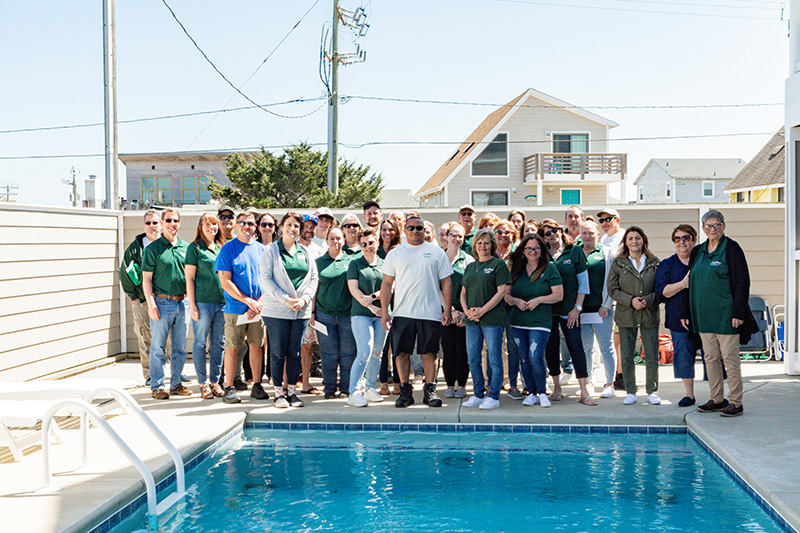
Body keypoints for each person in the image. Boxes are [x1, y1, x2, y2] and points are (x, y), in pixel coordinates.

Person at [683, 210, 756, 418]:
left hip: (726, 315)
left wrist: (738, 312)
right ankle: (716, 399)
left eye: (716, 225)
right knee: (710, 359)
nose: (712, 229)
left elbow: (742, 282)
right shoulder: (697, 251)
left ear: (723, 226)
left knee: (730, 360)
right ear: (703, 229)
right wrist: (687, 312)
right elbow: (690, 283)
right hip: (703, 316)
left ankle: (736, 402)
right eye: (708, 226)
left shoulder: (732, 248)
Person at [381, 215, 453, 408]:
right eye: (411, 228)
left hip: (430, 313)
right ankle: (405, 392)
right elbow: (386, 283)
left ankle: (430, 391)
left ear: (424, 230)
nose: (415, 231)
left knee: (430, 353)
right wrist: (385, 311)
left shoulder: (436, 252)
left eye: (419, 228)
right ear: (404, 231)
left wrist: (447, 308)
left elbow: (446, 282)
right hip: (402, 313)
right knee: (401, 353)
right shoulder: (395, 254)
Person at [260, 212, 319, 408]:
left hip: (300, 312)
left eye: (296, 226)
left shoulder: (306, 252)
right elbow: (266, 279)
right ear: (282, 227)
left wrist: (304, 299)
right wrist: (285, 299)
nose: (292, 229)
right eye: (289, 224)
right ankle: (279, 394)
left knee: (295, 353)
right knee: (278, 353)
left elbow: (313, 279)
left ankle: (292, 392)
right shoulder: (271, 251)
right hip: (277, 311)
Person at [538, 220, 595, 405]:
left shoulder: (574, 251)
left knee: (576, 347)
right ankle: (556, 387)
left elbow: (583, 282)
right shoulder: (542, 254)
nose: (552, 234)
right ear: (543, 237)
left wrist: (577, 308)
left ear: (560, 230)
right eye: (547, 233)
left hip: (570, 310)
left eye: (555, 230)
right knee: (551, 348)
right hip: (548, 311)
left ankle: (584, 390)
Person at [215, 210, 268, 404]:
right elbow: (225, 282)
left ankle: (257, 385)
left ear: (255, 227)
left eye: (251, 223)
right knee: (232, 348)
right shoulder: (228, 249)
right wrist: (247, 301)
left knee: (256, 346)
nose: (247, 226)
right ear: (236, 225)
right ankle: (229, 387)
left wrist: (258, 302)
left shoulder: (262, 250)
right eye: (243, 223)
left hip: (258, 309)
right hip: (235, 309)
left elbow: (268, 280)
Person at [506, 234, 564, 407]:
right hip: (518, 321)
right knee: (524, 358)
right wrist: (515, 301)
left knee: (535, 357)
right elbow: (506, 295)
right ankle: (531, 393)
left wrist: (539, 300)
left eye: (536, 248)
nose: (533, 251)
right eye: (529, 248)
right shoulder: (516, 269)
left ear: (542, 250)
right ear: (523, 251)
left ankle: (542, 392)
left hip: (540, 322)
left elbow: (558, 295)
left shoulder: (550, 268)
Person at [608, 226, 661, 406]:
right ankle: (630, 391)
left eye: (637, 238)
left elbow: (660, 288)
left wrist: (648, 299)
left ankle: (652, 391)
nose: (634, 241)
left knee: (651, 354)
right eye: (630, 238)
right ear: (625, 242)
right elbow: (612, 289)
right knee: (627, 355)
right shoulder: (618, 263)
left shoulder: (654, 262)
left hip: (649, 314)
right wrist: (630, 300)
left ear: (643, 240)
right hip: (626, 315)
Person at [141, 208, 191, 399]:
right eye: (168, 220)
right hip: (162, 303)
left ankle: (176, 384)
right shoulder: (153, 249)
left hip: (183, 303)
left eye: (175, 220)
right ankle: (157, 386)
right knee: (158, 348)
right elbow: (146, 279)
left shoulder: (187, 248)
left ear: (179, 223)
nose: (172, 224)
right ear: (162, 223)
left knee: (180, 348)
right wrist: (151, 304)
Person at [460, 228, 510, 410]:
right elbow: (463, 293)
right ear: (475, 245)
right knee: (473, 359)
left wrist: (482, 310)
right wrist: (467, 312)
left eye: (487, 243)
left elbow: (501, 292)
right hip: (472, 320)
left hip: (492, 320)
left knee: (494, 359)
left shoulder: (498, 264)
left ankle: (494, 396)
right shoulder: (470, 266)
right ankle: (478, 394)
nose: (483, 246)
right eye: (480, 243)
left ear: (492, 245)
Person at [656, 224, 699, 407]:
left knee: (712, 356)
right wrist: (682, 284)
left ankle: (716, 395)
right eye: (677, 238)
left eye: (686, 238)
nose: (682, 242)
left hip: (703, 317)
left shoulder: (701, 261)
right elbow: (662, 291)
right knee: (683, 356)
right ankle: (689, 394)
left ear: (694, 240)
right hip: (677, 318)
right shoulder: (667, 264)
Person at [119, 209, 163, 386]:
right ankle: (150, 375)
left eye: (155, 222)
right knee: (145, 337)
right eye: (148, 223)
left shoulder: (168, 244)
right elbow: (125, 272)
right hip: (143, 301)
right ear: (144, 225)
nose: (152, 226)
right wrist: (134, 297)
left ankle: (172, 373)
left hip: (166, 300)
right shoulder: (135, 248)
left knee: (169, 338)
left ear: (161, 224)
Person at [185, 213, 226, 399]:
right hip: (202, 303)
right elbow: (189, 278)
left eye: (214, 224)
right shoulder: (194, 248)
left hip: (222, 303)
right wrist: (192, 305)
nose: (212, 228)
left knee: (219, 343)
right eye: (208, 224)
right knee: (200, 343)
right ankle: (202, 383)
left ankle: (215, 382)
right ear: (200, 227)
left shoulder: (221, 247)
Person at [313, 227, 356, 399]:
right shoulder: (318, 262)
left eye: (338, 238)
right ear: (326, 241)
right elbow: (314, 289)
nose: (335, 241)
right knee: (329, 354)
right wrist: (312, 313)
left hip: (347, 315)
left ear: (344, 241)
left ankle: (345, 388)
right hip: (324, 315)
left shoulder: (352, 261)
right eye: (331, 238)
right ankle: (329, 388)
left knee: (347, 354)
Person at [346, 228, 387, 407]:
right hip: (361, 314)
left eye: (371, 243)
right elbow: (354, 290)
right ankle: (354, 392)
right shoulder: (355, 264)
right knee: (364, 352)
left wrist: (374, 297)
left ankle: (370, 388)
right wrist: (370, 306)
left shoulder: (385, 263)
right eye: (363, 244)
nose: (368, 246)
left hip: (382, 314)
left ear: (377, 243)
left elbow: (390, 286)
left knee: (377, 352)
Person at [578, 220, 616, 399]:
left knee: (606, 346)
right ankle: (588, 382)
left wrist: (606, 304)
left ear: (598, 234)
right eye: (584, 233)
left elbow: (612, 281)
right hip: (582, 310)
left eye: (591, 233)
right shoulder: (575, 252)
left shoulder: (607, 253)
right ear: (580, 234)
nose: (587, 236)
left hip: (602, 309)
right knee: (586, 348)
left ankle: (609, 383)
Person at [441, 223, 474, 399]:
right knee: (448, 351)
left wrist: (464, 313)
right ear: (447, 236)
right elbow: (435, 287)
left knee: (462, 350)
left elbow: (471, 288)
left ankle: (461, 385)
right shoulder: (439, 258)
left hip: (463, 313)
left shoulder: (468, 260)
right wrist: (449, 310)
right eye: (453, 235)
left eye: (460, 236)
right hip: (444, 312)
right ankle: (449, 385)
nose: (456, 239)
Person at [297, 213, 325, 396]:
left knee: (311, 346)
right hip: (294, 305)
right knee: (297, 347)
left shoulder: (320, 251)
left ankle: (307, 383)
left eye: (312, 226)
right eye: (306, 226)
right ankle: (292, 382)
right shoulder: (292, 248)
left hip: (315, 307)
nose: (309, 230)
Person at [377, 218, 402, 394]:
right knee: (383, 347)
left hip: (399, 303)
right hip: (381, 304)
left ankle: (398, 383)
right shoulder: (375, 251)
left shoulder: (401, 251)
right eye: (384, 229)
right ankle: (384, 383)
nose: (387, 233)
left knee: (398, 347)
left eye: (391, 229)